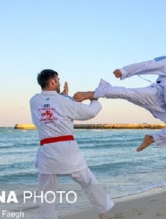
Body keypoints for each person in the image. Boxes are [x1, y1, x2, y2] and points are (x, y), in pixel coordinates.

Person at [74, 40, 166, 152]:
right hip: (155, 94)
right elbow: (146, 65)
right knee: (128, 93)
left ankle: (152, 138)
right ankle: (91, 94)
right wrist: (124, 71)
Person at [30, 69, 114, 219]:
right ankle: (103, 214)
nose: (59, 82)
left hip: (47, 153)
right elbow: (90, 113)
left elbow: (50, 104)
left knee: (46, 193)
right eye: (58, 79)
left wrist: (64, 96)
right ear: (52, 82)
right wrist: (94, 97)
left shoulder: (34, 101)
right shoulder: (64, 101)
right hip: (67, 151)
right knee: (88, 182)